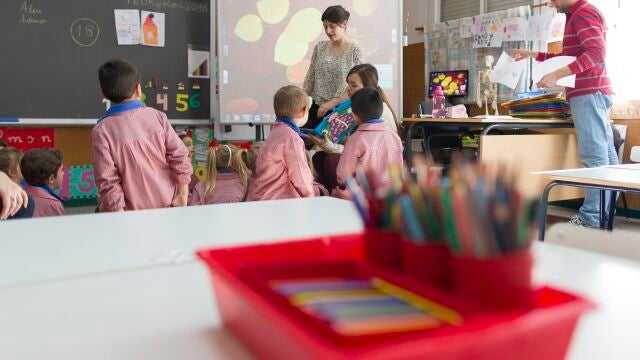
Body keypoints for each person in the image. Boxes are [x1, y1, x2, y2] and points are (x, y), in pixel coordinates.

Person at [508, 0, 616, 228]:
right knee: (606, 158)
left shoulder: (583, 13)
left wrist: (556, 75)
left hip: (588, 93)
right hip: (593, 92)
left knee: (595, 158)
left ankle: (592, 219)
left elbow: (596, 53)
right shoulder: (576, 15)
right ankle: (602, 216)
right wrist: (533, 54)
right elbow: (569, 57)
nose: (551, 3)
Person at [92, 59, 193, 212]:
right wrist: (183, 192)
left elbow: (107, 180)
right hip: (168, 205)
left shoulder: (101, 131)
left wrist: (118, 213)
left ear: (104, 93)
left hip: (130, 214)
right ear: (139, 90)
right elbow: (179, 155)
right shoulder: (157, 117)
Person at [309, 64, 399, 190]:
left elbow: (363, 150)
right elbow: (355, 144)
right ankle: (328, 196)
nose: (348, 89)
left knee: (331, 160)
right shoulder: (351, 108)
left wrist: (327, 145)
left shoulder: (378, 112)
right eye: (348, 84)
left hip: (371, 169)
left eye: (353, 85)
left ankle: (343, 198)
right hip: (360, 158)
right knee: (319, 157)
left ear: (368, 88)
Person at [248, 86, 322, 201]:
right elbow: (300, 174)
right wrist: (309, 196)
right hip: (281, 200)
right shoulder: (291, 137)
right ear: (304, 111)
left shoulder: (276, 131)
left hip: (264, 197)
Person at [303, 5, 364, 130]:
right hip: (317, 107)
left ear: (344, 24)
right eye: (325, 27)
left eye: (332, 26)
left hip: (342, 109)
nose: (328, 31)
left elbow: (357, 87)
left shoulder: (355, 51)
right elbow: (310, 79)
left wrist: (331, 103)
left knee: (330, 146)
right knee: (306, 141)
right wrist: (298, 101)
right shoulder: (320, 48)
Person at [335, 88, 403, 197]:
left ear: (353, 115)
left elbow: (343, 176)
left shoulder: (355, 139)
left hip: (361, 197)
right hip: (391, 196)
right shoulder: (394, 137)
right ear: (381, 110)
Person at [21, 148, 65, 218]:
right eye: (61, 170)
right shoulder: (53, 204)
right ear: (51, 178)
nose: (63, 173)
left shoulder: (18, 197)